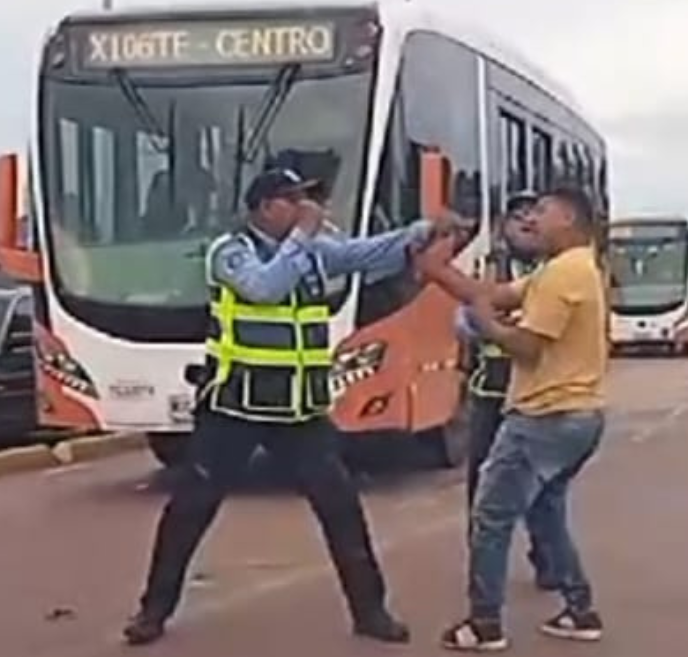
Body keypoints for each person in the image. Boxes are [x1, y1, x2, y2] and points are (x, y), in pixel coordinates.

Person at [123, 166, 463, 646]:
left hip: (299, 412)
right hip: (234, 408)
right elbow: (265, 286)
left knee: (342, 510)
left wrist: (422, 232)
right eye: (292, 200)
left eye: (305, 199)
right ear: (264, 208)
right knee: (190, 510)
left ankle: (371, 613)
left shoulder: (312, 250)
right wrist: (304, 235)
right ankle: (151, 613)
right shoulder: (230, 252)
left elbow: (365, 254)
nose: (305, 209)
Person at [416, 186, 608, 651]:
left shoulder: (565, 274)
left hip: (544, 416)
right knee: (545, 516)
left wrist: (486, 326)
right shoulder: (567, 269)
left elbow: (526, 346)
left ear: (568, 219)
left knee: (491, 517)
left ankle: (484, 624)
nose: (531, 221)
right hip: (576, 418)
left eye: (541, 212)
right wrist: (439, 270)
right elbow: (493, 294)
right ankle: (580, 611)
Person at [453, 191, 558, 591]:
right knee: (481, 485)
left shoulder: (555, 270)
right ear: (503, 227)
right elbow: (461, 322)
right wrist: (483, 319)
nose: (526, 226)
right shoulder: (487, 268)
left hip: (536, 393)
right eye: (518, 220)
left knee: (542, 485)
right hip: (490, 392)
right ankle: (481, 567)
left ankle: (548, 561)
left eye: (533, 219)